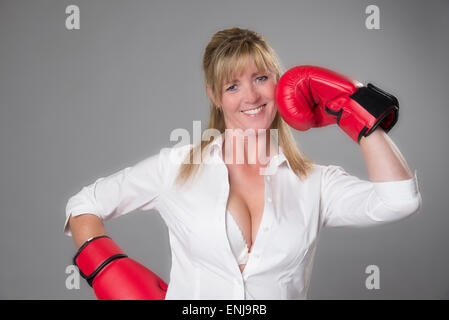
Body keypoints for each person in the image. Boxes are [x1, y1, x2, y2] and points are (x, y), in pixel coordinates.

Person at [64, 27, 422, 300]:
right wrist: (108, 269)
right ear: (214, 95)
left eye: (261, 78)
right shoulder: (177, 167)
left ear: (279, 83)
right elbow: (83, 205)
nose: (250, 96)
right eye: (233, 86)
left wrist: (356, 112)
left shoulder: (313, 182)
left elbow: (399, 200)